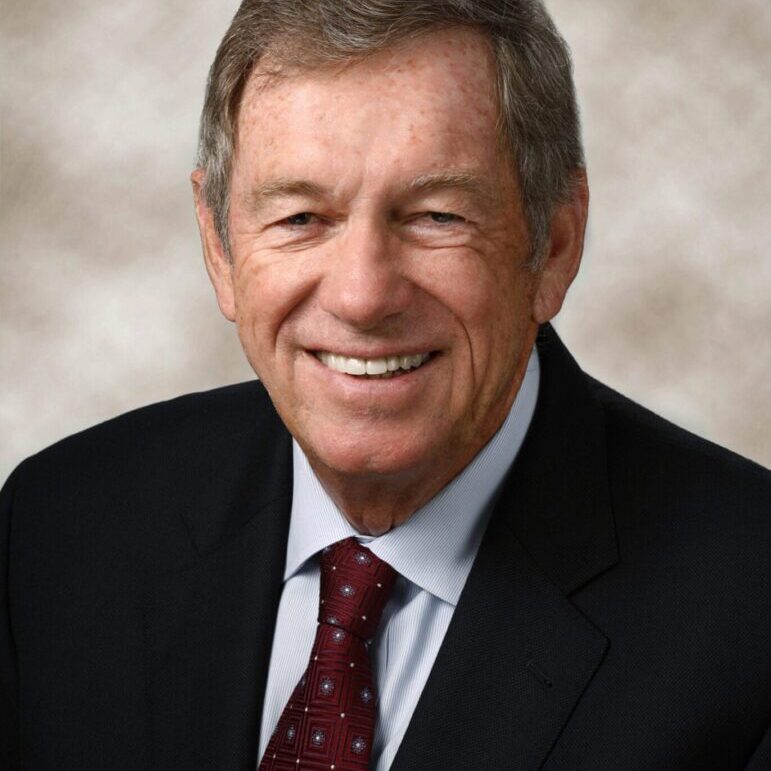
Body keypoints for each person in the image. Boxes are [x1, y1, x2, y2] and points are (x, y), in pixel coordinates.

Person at [1, 1, 768, 768]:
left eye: (436, 215)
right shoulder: (57, 532)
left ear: (555, 244)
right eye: (301, 217)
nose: (362, 296)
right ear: (219, 244)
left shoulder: (748, 610)